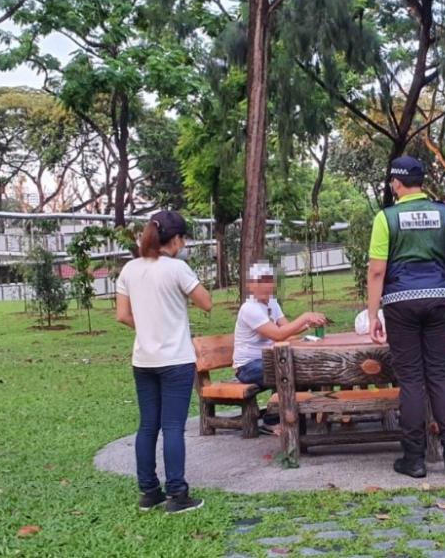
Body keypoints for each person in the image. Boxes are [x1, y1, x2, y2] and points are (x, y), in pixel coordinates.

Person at [367, 155, 445, 479]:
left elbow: (377, 270)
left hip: (400, 303)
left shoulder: (386, 218)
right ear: (421, 182)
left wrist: (372, 315)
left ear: (396, 183)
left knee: (411, 380)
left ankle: (415, 459)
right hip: (439, 299)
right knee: (439, 376)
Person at [115, 211, 212, 514]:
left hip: (143, 360)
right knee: (173, 427)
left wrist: (147, 327)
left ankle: (148, 491)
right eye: (183, 239)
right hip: (176, 359)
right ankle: (177, 494)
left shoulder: (129, 269)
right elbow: (207, 303)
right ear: (177, 239)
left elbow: (121, 315)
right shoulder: (177, 268)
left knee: (148, 426)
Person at [232, 262, 326, 433]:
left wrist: (307, 325)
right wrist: (305, 316)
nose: (265, 285)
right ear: (250, 285)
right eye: (260, 281)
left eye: (268, 280)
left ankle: (301, 412)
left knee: (298, 368)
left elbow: (287, 330)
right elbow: (278, 335)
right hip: (247, 366)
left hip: (267, 359)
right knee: (286, 371)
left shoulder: (272, 303)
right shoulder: (249, 309)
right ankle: (271, 419)